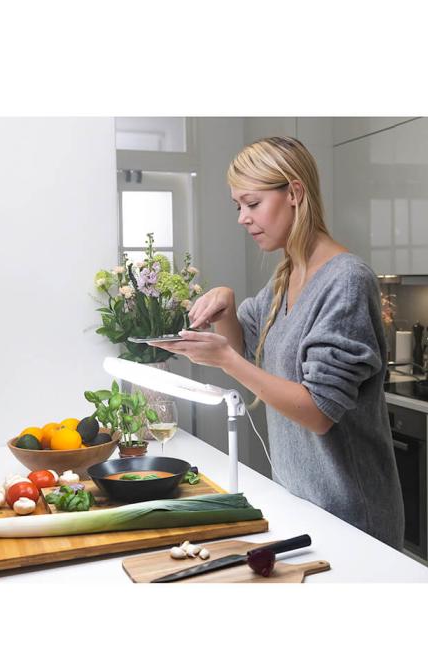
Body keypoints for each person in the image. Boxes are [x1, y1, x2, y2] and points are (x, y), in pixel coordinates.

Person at [149, 136, 404, 550]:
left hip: (351, 515)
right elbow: (247, 349)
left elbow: (319, 412)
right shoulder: (285, 276)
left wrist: (226, 360)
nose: (242, 218)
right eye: (238, 206)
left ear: (295, 194)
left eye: (252, 203)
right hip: (301, 501)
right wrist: (227, 306)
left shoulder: (346, 280)